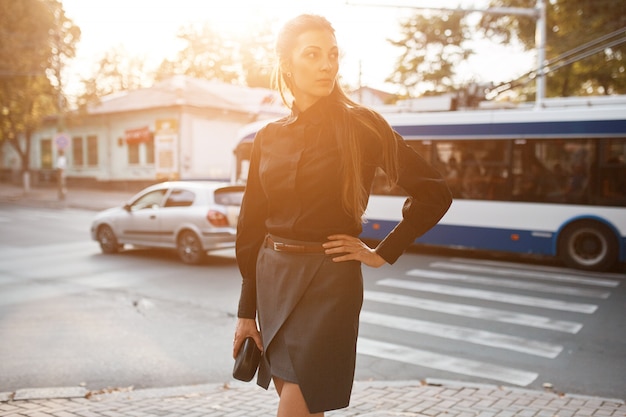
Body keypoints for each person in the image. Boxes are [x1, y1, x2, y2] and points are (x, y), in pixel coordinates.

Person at [232, 14, 452, 417]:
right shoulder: (268, 137)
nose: (326, 65)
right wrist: (246, 313)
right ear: (287, 65)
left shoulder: (363, 126)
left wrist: (383, 251)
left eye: (332, 55)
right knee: (301, 404)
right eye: (312, 54)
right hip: (272, 278)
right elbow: (250, 227)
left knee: (295, 406)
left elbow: (434, 192)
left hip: (330, 282)